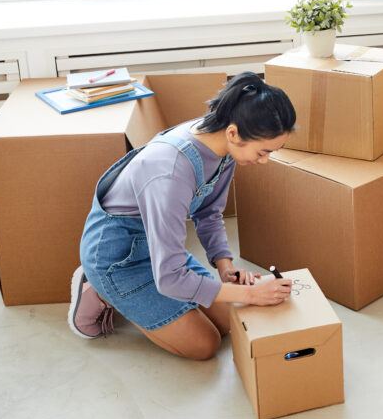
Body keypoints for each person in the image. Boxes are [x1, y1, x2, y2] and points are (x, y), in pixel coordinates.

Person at [68, 72, 297, 360]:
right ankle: (98, 289)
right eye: (263, 152)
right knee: (204, 345)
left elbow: (209, 212)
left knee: (227, 323)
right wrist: (251, 294)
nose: (264, 161)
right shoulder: (170, 171)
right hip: (117, 262)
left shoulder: (222, 146)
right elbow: (171, 280)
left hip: (159, 249)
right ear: (234, 133)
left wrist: (225, 270)